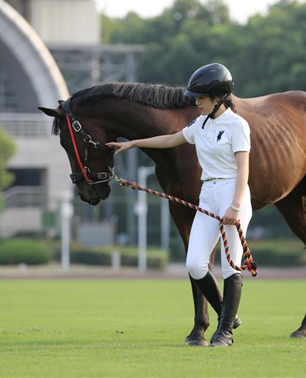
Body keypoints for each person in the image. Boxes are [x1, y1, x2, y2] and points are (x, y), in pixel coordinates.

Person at [105, 63, 252, 347]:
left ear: (219, 96)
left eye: (201, 97)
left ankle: (225, 332)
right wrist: (133, 143)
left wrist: (234, 206)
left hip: (233, 194)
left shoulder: (238, 125)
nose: (196, 102)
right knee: (195, 264)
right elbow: (171, 139)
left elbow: (244, 168)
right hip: (208, 193)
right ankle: (226, 313)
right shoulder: (201, 124)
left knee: (231, 265)